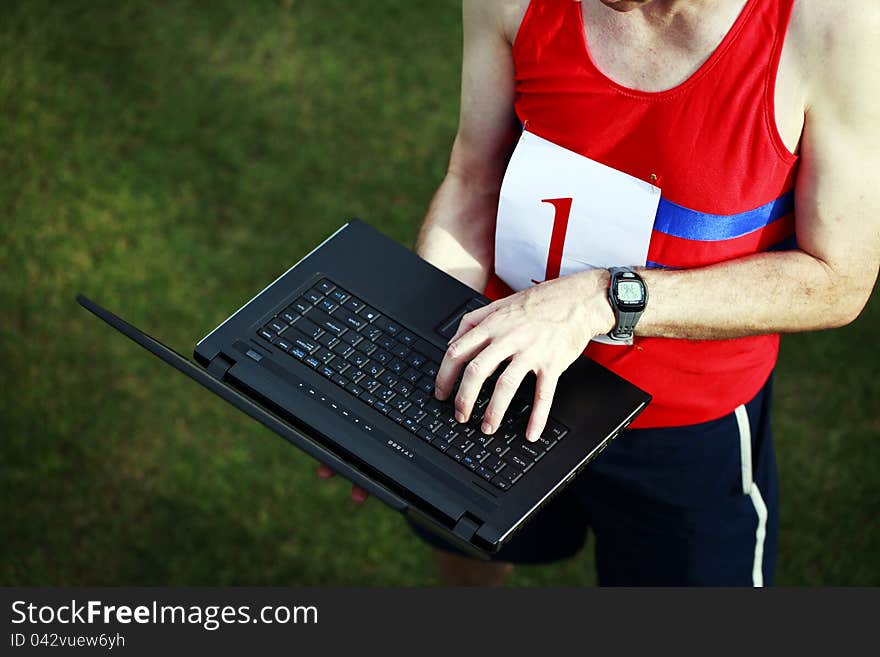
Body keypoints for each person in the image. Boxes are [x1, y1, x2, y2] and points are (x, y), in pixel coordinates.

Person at [319, 0, 880, 585]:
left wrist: (602, 299)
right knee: (467, 555)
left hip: (682, 424)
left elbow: (837, 278)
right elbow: (474, 179)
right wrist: (401, 387)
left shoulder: (833, 23)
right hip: (498, 369)